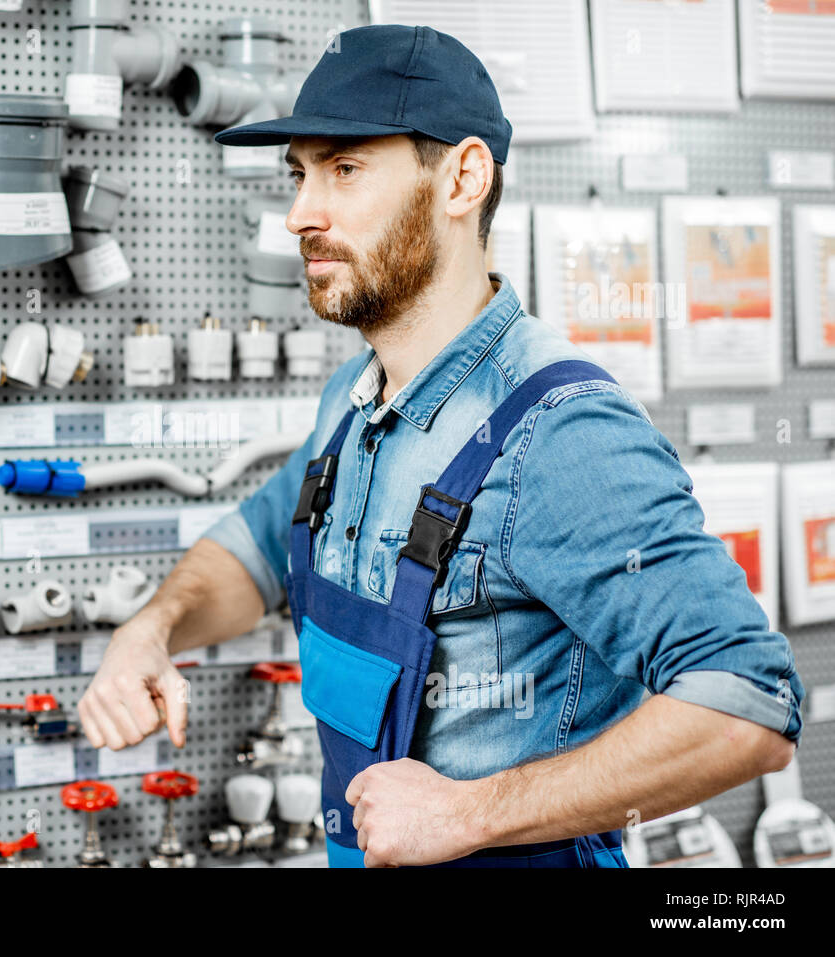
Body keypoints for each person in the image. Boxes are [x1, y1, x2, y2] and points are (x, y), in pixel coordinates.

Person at [77, 23, 803, 868]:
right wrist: (153, 627)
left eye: (344, 170)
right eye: (300, 174)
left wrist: (471, 813)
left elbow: (748, 704)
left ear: (463, 178)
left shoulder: (561, 433)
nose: (300, 213)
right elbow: (255, 552)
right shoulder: (350, 409)